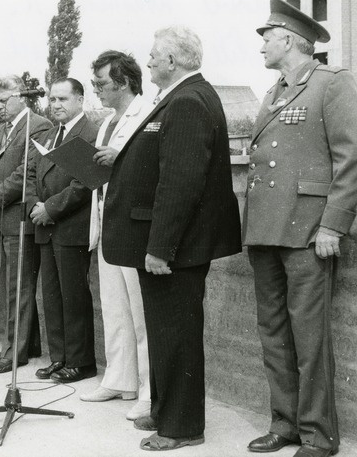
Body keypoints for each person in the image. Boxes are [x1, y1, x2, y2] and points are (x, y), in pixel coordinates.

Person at [103, 26, 241, 451]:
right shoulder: (180, 97)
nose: (147, 63)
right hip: (168, 243)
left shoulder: (187, 101)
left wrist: (161, 248)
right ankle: (165, 410)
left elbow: (180, 183)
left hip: (175, 248)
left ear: (174, 61)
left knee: (176, 334)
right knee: (165, 332)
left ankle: (182, 428)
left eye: (153, 56)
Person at [243, 0, 357, 457]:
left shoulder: (330, 84)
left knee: (309, 336)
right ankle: (285, 423)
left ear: (292, 41)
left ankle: (318, 435)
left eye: (267, 36)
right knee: (272, 330)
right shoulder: (276, 89)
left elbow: (353, 159)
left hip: (306, 230)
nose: (261, 44)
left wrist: (333, 226)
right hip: (266, 229)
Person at [81, 50, 154, 421]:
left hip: (134, 225)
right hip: (107, 220)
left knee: (141, 312)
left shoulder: (149, 113)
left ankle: (147, 389)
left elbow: (147, 166)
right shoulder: (108, 121)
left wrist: (117, 159)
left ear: (123, 82)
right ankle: (119, 377)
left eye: (101, 84)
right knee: (114, 305)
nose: (96, 91)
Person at [0, 74, 52, 374]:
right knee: (5, 284)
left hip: (18, 220)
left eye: (3, 100)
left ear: (21, 97)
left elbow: (26, 172)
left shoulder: (38, 125)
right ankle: (18, 344)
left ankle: (15, 351)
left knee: (18, 288)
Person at [29, 78, 98, 383]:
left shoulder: (89, 132)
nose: (55, 105)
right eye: (53, 100)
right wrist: (35, 205)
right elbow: (33, 175)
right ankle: (60, 357)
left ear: (80, 100)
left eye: (63, 99)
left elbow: (83, 184)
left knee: (73, 297)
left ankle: (81, 362)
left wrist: (50, 209)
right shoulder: (52, 133)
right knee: (52, 295)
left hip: (71, 227)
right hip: (46, 227)